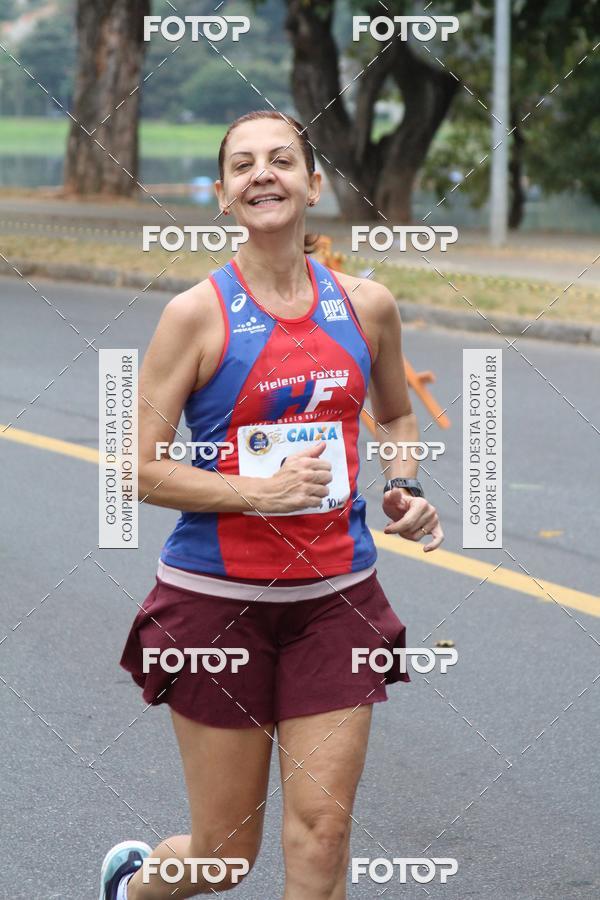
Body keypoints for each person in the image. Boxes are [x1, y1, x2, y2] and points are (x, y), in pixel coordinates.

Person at [99, 109, 443, 900]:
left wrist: (406, 484)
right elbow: (135, 471)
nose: (263, 174)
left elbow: (394, 414)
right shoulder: (194, 315)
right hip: (216, 607)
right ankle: (135, 886)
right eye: (244, 165)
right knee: (225, 857)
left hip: (336, 601)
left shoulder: (367, 305)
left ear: (313, 183)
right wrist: (259, 494)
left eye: (282, 160)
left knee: (322, 836)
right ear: (222, 195)